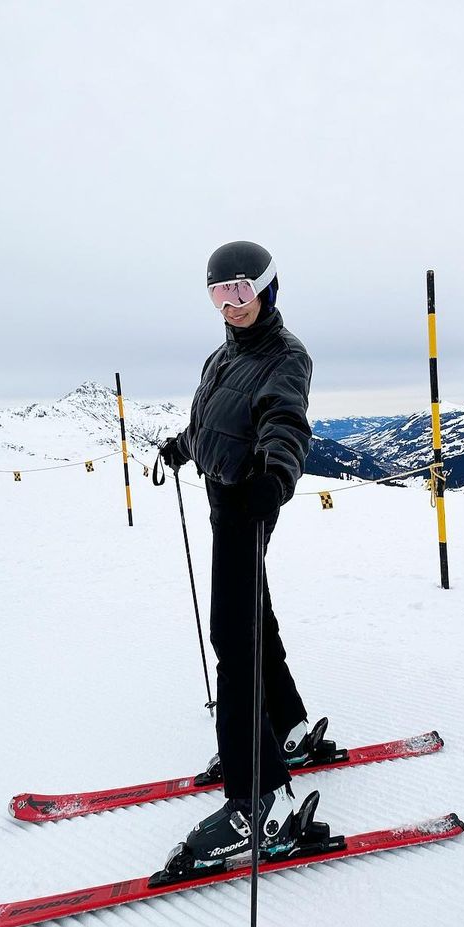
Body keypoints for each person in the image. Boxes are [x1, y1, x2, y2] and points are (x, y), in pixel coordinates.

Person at [159, 240, 319, 868]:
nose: (231, 304)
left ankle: (258, 798)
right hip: (223, 502)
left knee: (233, 637)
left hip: (250, 503)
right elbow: (211, 426)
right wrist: (182, 446)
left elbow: (285, 422)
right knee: (256, 617)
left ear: (269, 290)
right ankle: (291, 726)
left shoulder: (286, 356)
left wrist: (276, 476)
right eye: (219, 293)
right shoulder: (220, 358)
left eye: (242, 290)